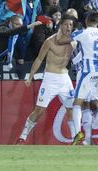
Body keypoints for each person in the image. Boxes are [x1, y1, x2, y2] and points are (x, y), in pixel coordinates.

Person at [16, 14, 77, 144]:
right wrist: (30, 76)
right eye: (66, 24)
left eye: (71, 25)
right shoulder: (50, 41)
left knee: (71, 109)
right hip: (50, 78)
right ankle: (23, 136)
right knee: (39, 110)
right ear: (60, 25)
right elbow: (39, 59)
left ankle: (75, 139)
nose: (68, 27)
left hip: (65, 79)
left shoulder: (74, 42)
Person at [70, 11, 98, 146]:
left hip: (87, 72)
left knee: (79, 103)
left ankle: (79, 133)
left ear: (86, 21)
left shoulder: (82, 33)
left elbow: (69, 39)